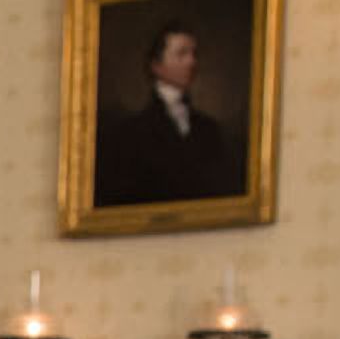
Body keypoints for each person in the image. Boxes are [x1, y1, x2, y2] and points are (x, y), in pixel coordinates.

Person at [93, 23, 240, 206]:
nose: (191, 62)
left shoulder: (209, 128)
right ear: (156, 66)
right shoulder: (131, 133)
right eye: (182, 54)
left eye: (193, 54)